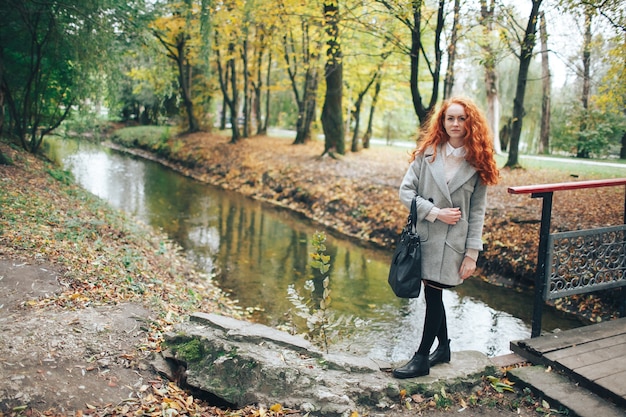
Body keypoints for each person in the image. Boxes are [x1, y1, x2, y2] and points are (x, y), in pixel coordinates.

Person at [392, 96, 499, 379]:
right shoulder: (427, 153)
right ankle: (444, 349)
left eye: (461, 119)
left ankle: (422, 357)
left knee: (435, 294)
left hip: (454, 243)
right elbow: (406, 192)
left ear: (470, 123)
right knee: (433, 294)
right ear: (442, 121)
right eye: (450, 118)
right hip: (425, 237)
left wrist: (472, 254)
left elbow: (477, 213)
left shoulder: (478, 163)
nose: (455, 124)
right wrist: (436, 212)